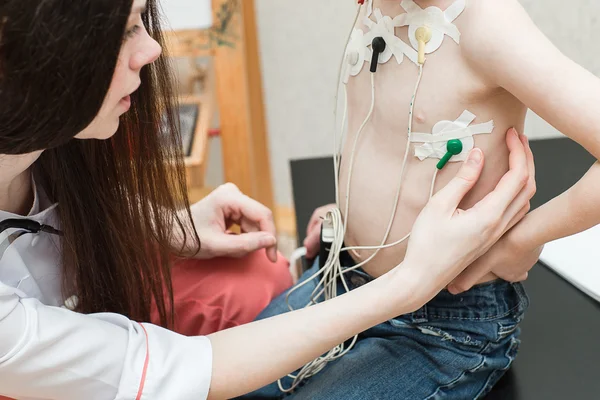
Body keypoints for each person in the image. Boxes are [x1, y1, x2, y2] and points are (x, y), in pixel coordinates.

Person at [0, 0, 535, 399]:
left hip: (450, 309)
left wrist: (164, 225)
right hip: (387, 285)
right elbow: (180, 370)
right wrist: (410, 281)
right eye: (125, 31)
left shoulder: (486, 25)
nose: (154, 48)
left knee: (253, 274)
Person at [243, 0, 600, 398]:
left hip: (442, 325)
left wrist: (519, 240)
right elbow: (385, 127)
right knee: (234, 387)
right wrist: (350, 210)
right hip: (343, 278)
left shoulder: (489, 24)